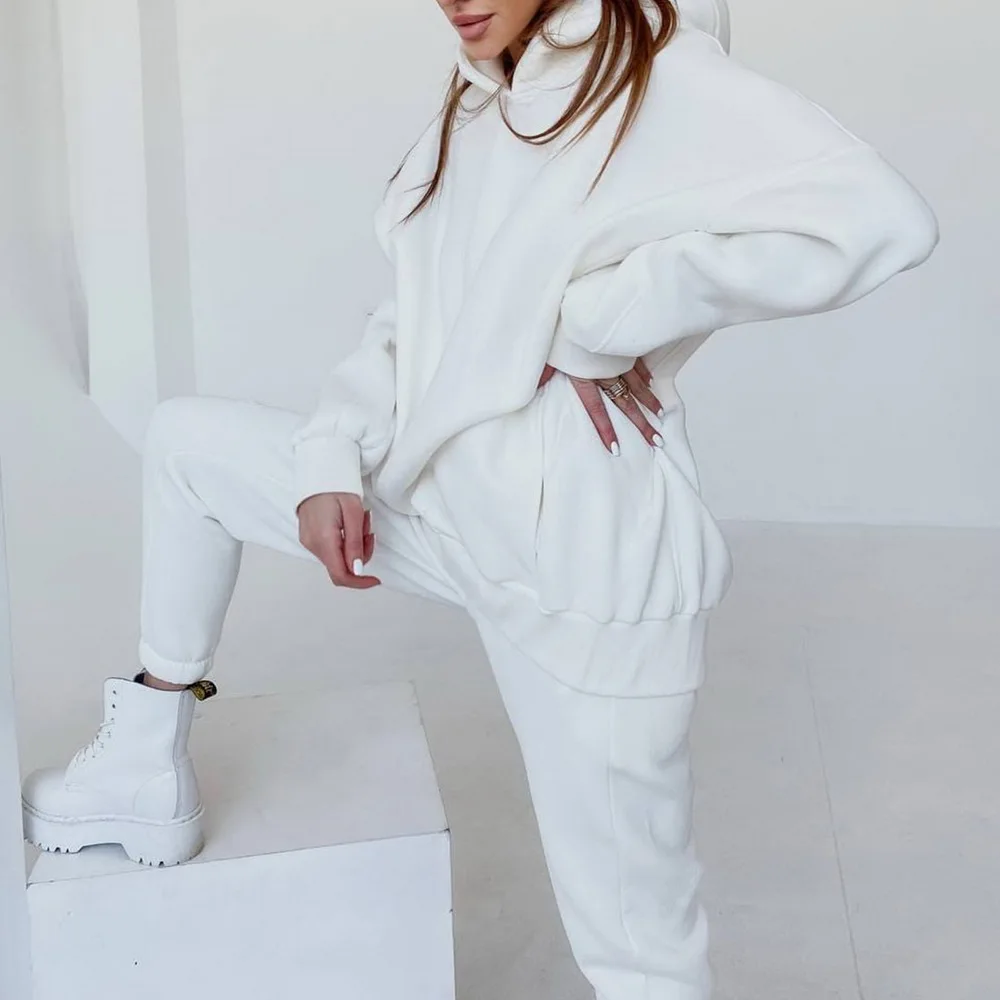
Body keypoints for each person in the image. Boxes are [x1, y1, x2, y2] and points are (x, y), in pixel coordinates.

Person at [22, 0, 938, 996]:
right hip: (442, 505)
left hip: (581, 568)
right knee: (185, 445)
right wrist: (330, 456)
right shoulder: (479, 98)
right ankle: (142, 764)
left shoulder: (658, 74)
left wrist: (603, 317)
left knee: (639, 952)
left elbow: (881, 219)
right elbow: (415, 310)